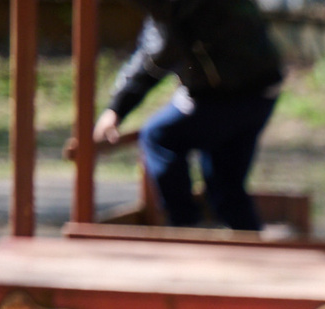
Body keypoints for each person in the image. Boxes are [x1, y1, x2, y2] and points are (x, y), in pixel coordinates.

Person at [95, 0, 285, 232]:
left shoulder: (178, 10)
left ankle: (184, 227)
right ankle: (251, 246)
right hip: (263, 88)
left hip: (227, 95)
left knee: (159, 136)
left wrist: (117, 107)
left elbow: (159, 52)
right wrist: (117, 107)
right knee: (225, 184)